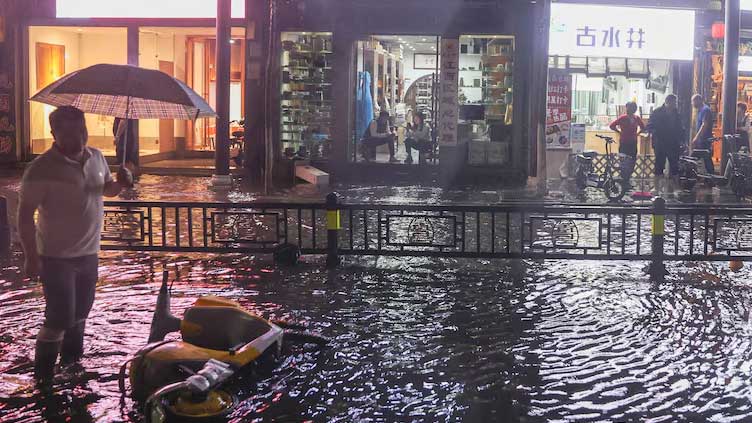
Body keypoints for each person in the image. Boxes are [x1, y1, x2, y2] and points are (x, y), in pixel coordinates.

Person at [18, 106, 133, 383]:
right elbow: (24, 216)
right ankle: (43, 378)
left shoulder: (96, 156)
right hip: (56, 257)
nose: (77, 138)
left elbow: (106, 188)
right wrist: (31, 257)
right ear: (53, 133)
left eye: (80, 130)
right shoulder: (41, 169)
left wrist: (122, 182)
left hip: (89, 253)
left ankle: (72, 366)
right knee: (58, 318)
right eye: (67, 133)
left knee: (81, 313)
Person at [647, 94, 685, 180]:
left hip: (673, 143)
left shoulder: (676, 113)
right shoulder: (657, 112)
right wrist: (654, 133)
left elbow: (680, 128)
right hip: (660, 142)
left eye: (675, 103)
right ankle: (657, 187)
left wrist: (682, 140)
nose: (675, 104)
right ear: (668, 102)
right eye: (674, 102)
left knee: (674, 165)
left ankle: (674, 186)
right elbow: (650, 125)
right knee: (659, 164)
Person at [609, 101, 645, 183]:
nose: (631, 109)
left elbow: (643, 127)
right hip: (624, 142)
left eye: (633, 108)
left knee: (632, 160)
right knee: (623, 160)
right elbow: (612, 125)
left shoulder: (637, 118)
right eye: (629, 107)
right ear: (627, 108)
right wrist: (619, 132)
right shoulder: (623, 117)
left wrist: (637, 134)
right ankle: (622, 178)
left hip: (633, 142)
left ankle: (628, 178)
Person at [691, 94, 715, 174]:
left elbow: (704, 124)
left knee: (701, 157)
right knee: (705, 158)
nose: (692, 103)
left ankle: (710, 177)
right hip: (702, 139)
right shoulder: (701, 110)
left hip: (704, 139)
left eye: (693, 101)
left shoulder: (705, 110)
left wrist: (696, 138)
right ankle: (708, 177)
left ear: (699, 100)